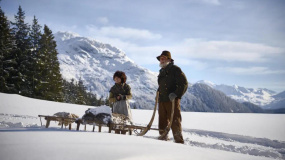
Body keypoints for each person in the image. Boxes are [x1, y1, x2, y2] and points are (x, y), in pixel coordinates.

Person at [156, 50, 188, 144]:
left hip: (172, 101)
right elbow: (161, 85)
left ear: (169, 60)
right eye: (160, 59)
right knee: (162, 121)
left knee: (175, 120)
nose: (161, 60)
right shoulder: (161, 71)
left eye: (163, 58)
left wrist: (176, 93)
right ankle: (162, 139)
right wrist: (159, 92)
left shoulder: (175, 70)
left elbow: (184, 83)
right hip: (162, 100)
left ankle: (179, 141)